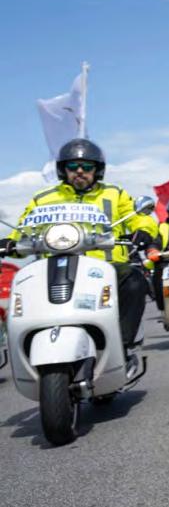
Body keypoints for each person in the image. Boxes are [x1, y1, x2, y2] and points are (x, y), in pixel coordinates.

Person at [1, 139, 153, 349]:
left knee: (135, 281)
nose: (79, 171)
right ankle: (27, 345)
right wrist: (11, 242)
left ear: (97, 170)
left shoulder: (114, 193)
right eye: (72, 166)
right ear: (63, 170)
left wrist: (143, 231)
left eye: (87, 166)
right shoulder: (42, 198)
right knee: (24, 287)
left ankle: (122, 344)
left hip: (106, 268)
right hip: (53, 268)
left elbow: (137, 216)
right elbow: (25, 229)